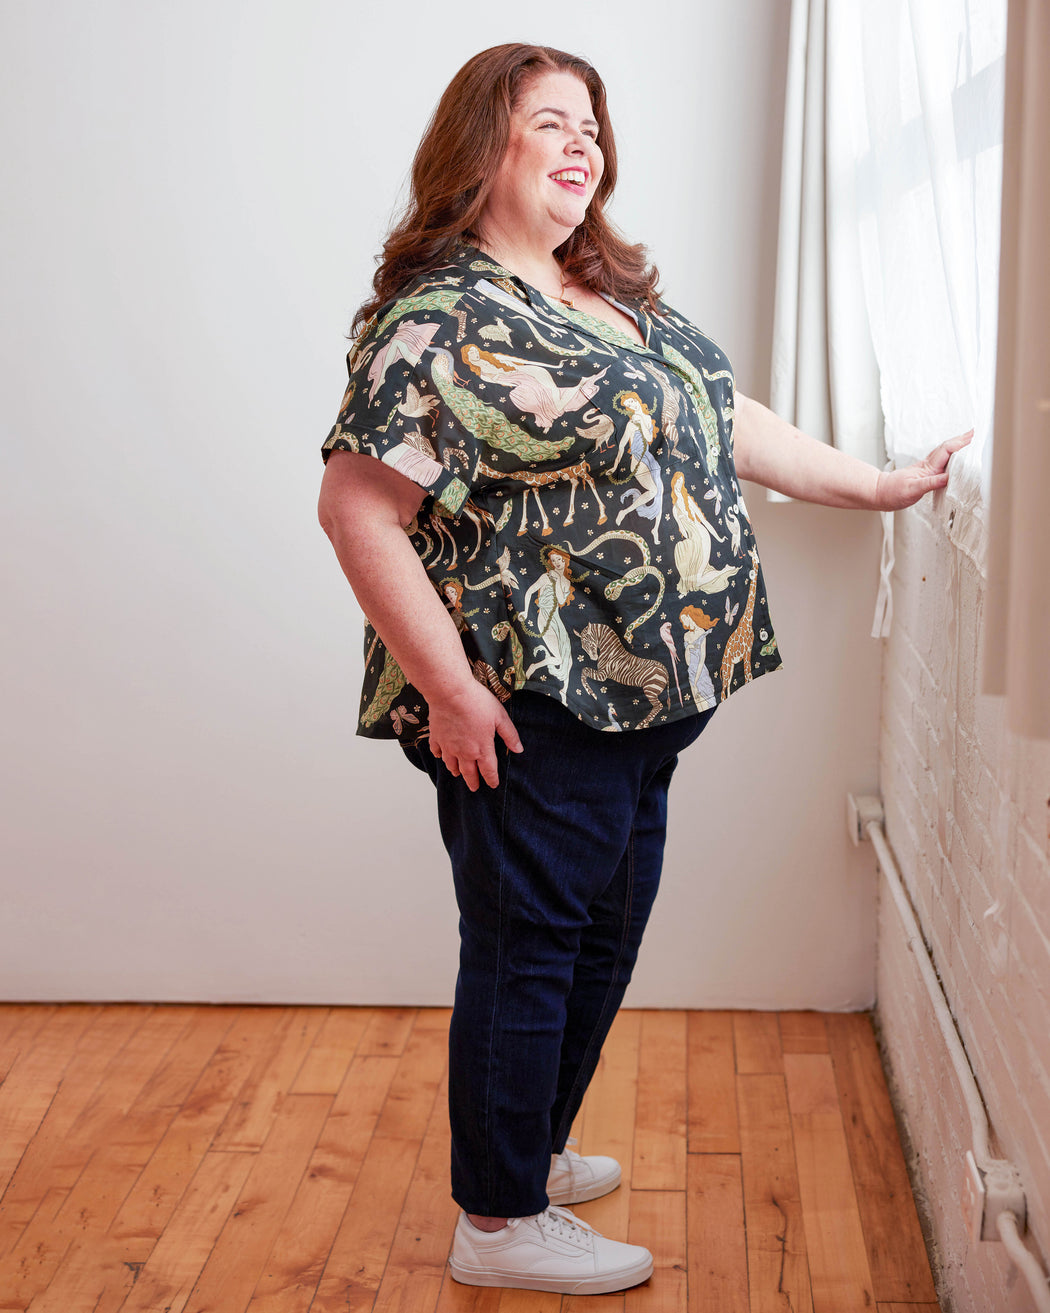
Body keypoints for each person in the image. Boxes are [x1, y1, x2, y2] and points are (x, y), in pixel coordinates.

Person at [317, 43, 969, 1297]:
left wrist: (881, 484)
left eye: (593, 127)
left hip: (649, 699)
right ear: (481, 146)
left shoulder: (601, 291)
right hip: (531, 700)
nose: (583, 144)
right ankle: (497, 1218)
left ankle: (527, 1149)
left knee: (597, 939)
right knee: (529, 945)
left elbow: (729, 419)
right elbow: (357, 507)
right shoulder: (443, 316)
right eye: (550, 121)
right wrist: (452, 689)